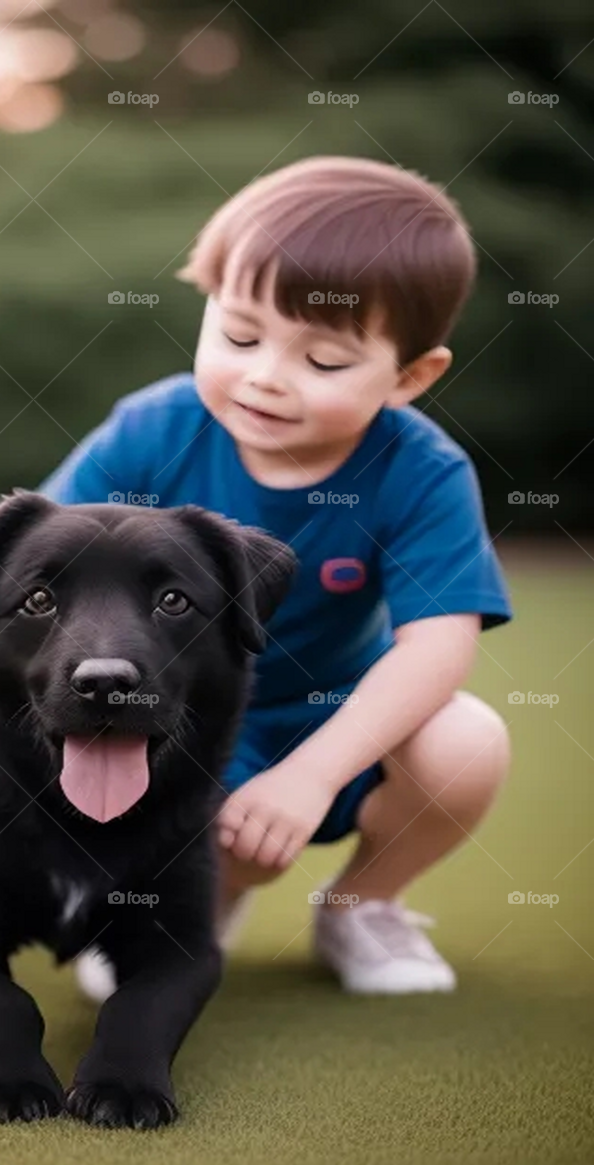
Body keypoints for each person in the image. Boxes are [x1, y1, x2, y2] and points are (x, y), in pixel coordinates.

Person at [37, 155, 512, 998]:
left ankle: (361, 905)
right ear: (207, 303)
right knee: (181, 889)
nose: (265, 377)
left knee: (468, 742)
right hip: (177, 720)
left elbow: (438, 646)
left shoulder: (421, 469)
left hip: (345, 721)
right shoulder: (154, 429)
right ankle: (182, 902)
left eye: (324, 361)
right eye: (241, 335)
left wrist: (314, 771)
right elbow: (44, 563)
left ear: (410, 376)